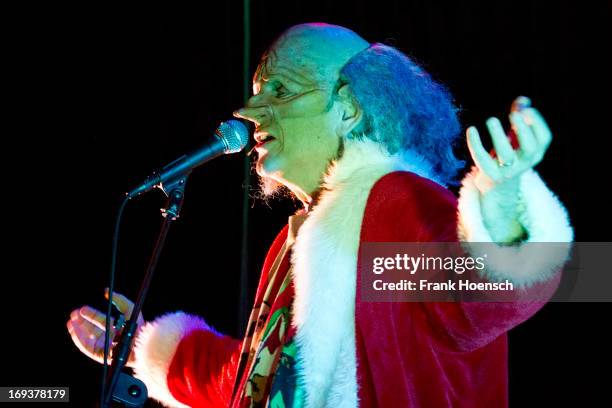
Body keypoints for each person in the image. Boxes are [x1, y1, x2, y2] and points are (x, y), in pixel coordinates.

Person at [67, 23, 573, 407]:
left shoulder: (394, 203)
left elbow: (476, 300)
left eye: (280, 91)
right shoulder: (298, 241)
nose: (249, 109)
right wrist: (141, 348)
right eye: (257, 89)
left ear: (350, 108)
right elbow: (252, 380)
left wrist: (503, 215)